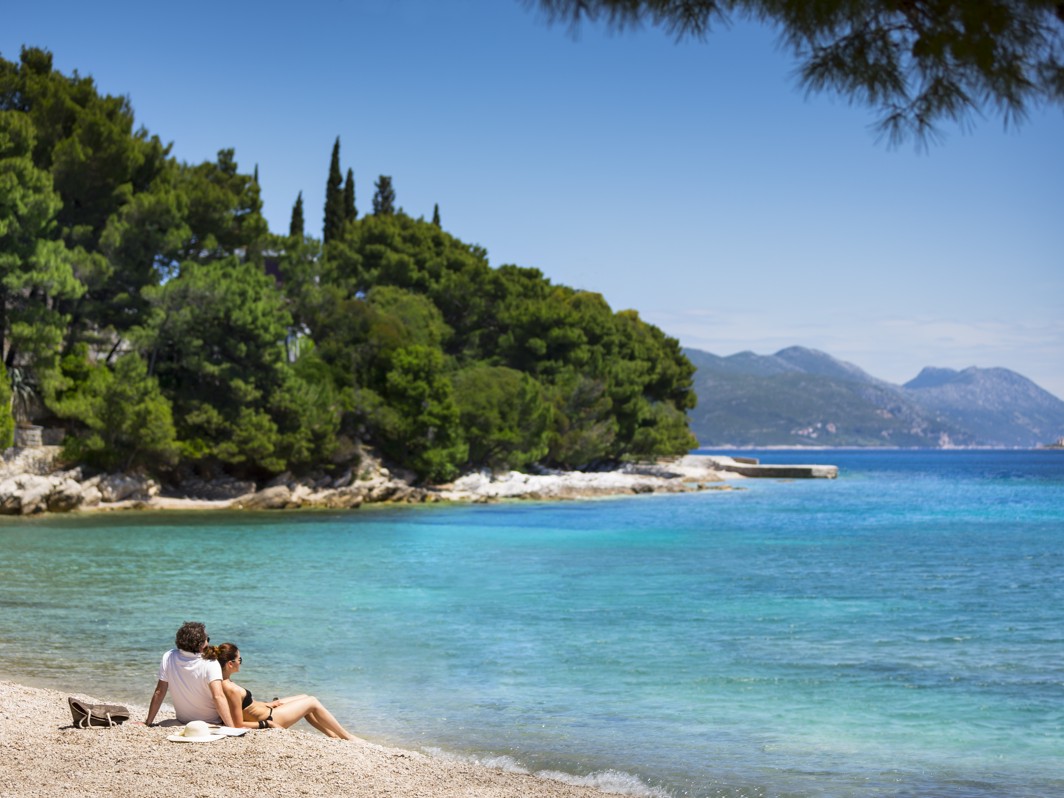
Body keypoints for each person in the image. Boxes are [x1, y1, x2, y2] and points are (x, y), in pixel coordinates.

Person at [206, 641, 357, 740]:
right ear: (230, 664)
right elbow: (238, 724)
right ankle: (348, 737)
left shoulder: (222, 683)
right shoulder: (230, 688)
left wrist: (269, 704)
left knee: (304, 696)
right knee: (312, 702)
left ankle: (333, 736)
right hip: (271, 719)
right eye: (240, 660)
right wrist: (267, 725)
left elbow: (246, 706)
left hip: (268, 710)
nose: (241, 663)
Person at [144, 621, 235, 727]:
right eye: (207, 640)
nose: (208, 644)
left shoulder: (169, 656)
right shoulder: (210, 663)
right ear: (201, 645)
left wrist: (148, 722)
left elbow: (159, 692)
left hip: (183, 720)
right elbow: (218, 696)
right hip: (211, 722)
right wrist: (231, 728)